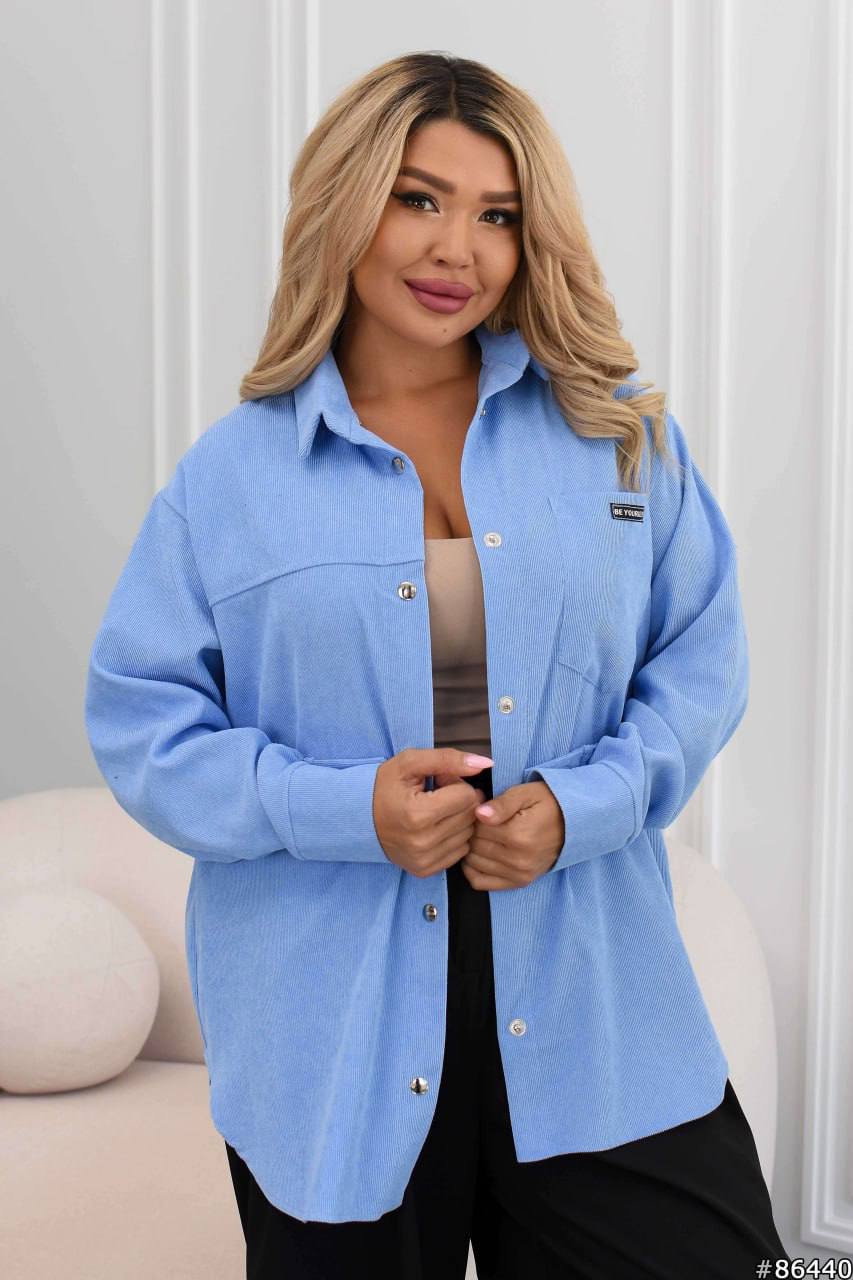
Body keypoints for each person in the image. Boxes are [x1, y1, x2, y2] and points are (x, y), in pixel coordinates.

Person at [85, 50, 792, 1279]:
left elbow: (702, 656)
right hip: (332, 1023)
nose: (456, 248)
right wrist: (345, 808)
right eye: (419, 198)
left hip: (588, 991)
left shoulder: (613, 430)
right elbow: (146, 729)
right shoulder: (230, 478)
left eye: (496, 215)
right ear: (346, 201)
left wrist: (580, 805)